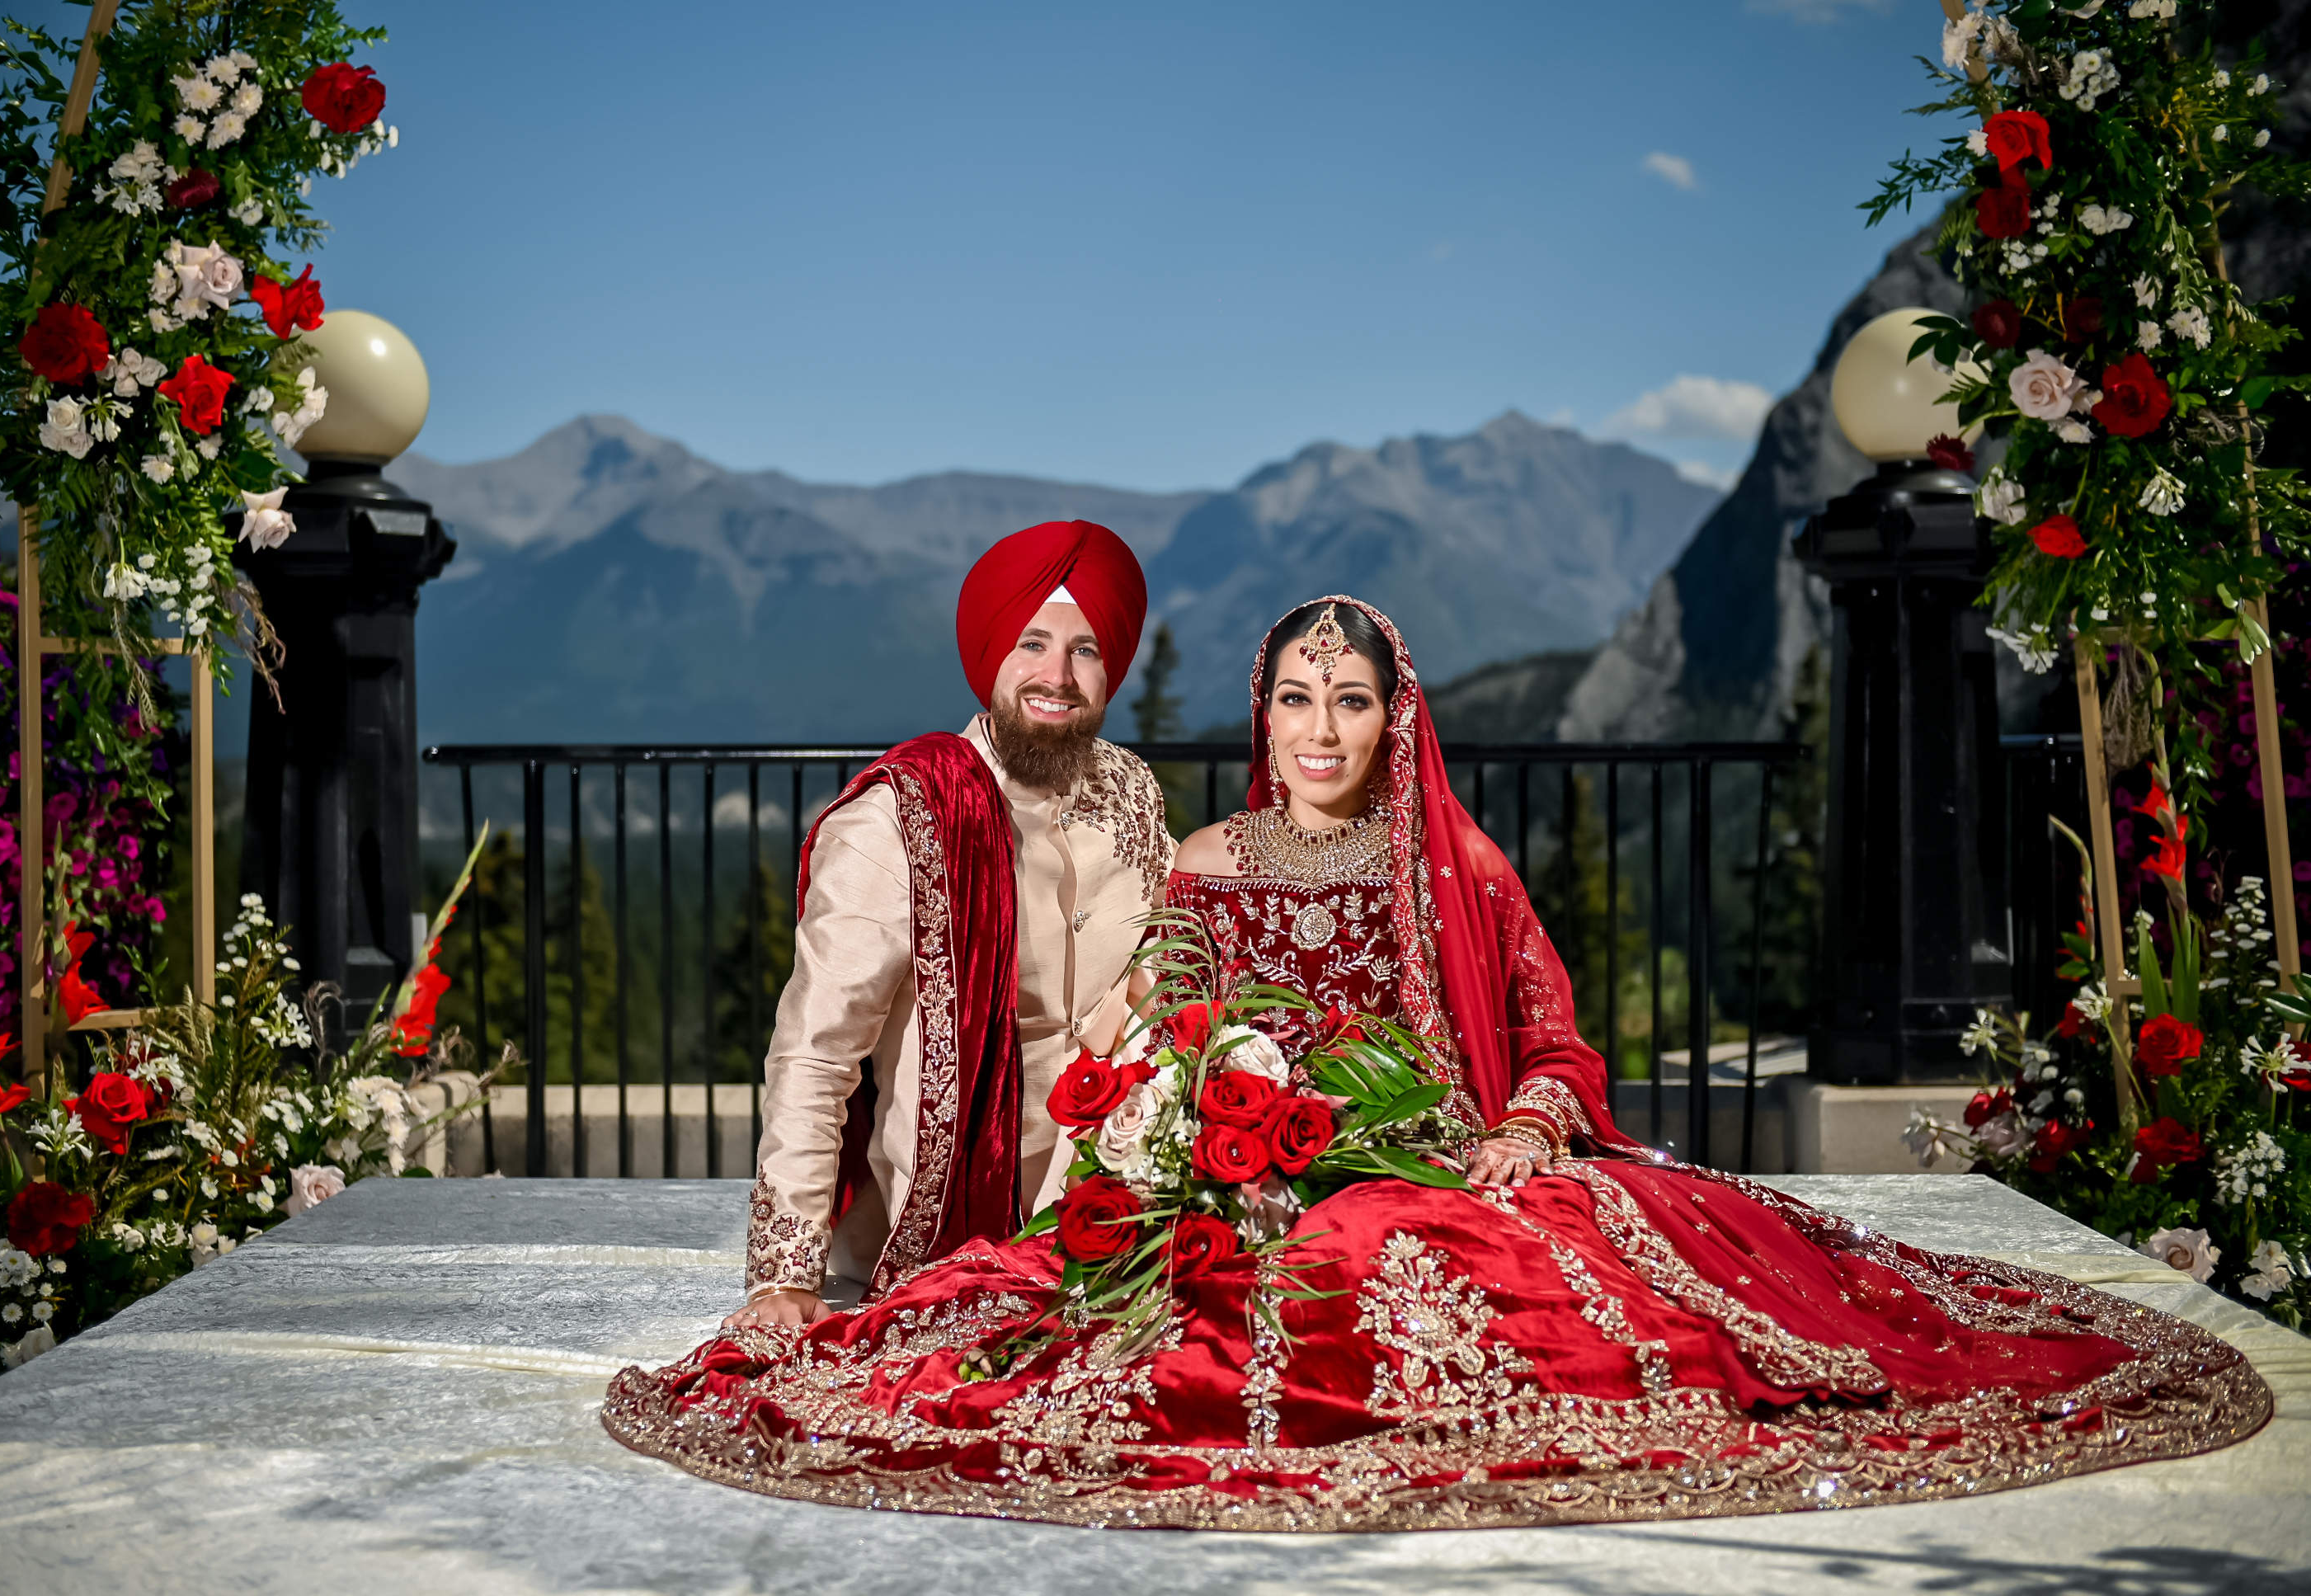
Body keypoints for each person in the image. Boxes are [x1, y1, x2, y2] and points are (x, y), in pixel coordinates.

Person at [608, 596, 2270, 1532]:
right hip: (1242, 1174)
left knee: (1422, 1253)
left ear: (1392, 721)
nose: (1314, 731)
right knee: (1138, 1291)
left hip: (1438, 1163)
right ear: (1255, 712)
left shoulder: (1455, 872)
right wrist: (1184, 1125)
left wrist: (1530, 1121)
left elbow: (1547, 1032)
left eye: (1346, 702)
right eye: (1287, 699)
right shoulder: (1198, 865)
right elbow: (1156, 1033)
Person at [726, 520, 1174, 1326]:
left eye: (1086, 649)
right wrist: (785, 1278)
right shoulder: (903, 822)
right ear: (988, 653)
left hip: (1125, 1232)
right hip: (950, 1244)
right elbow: (816, 1056)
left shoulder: (1134, 794)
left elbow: (1173, 958)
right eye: (1031, 642)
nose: (1058, 675)